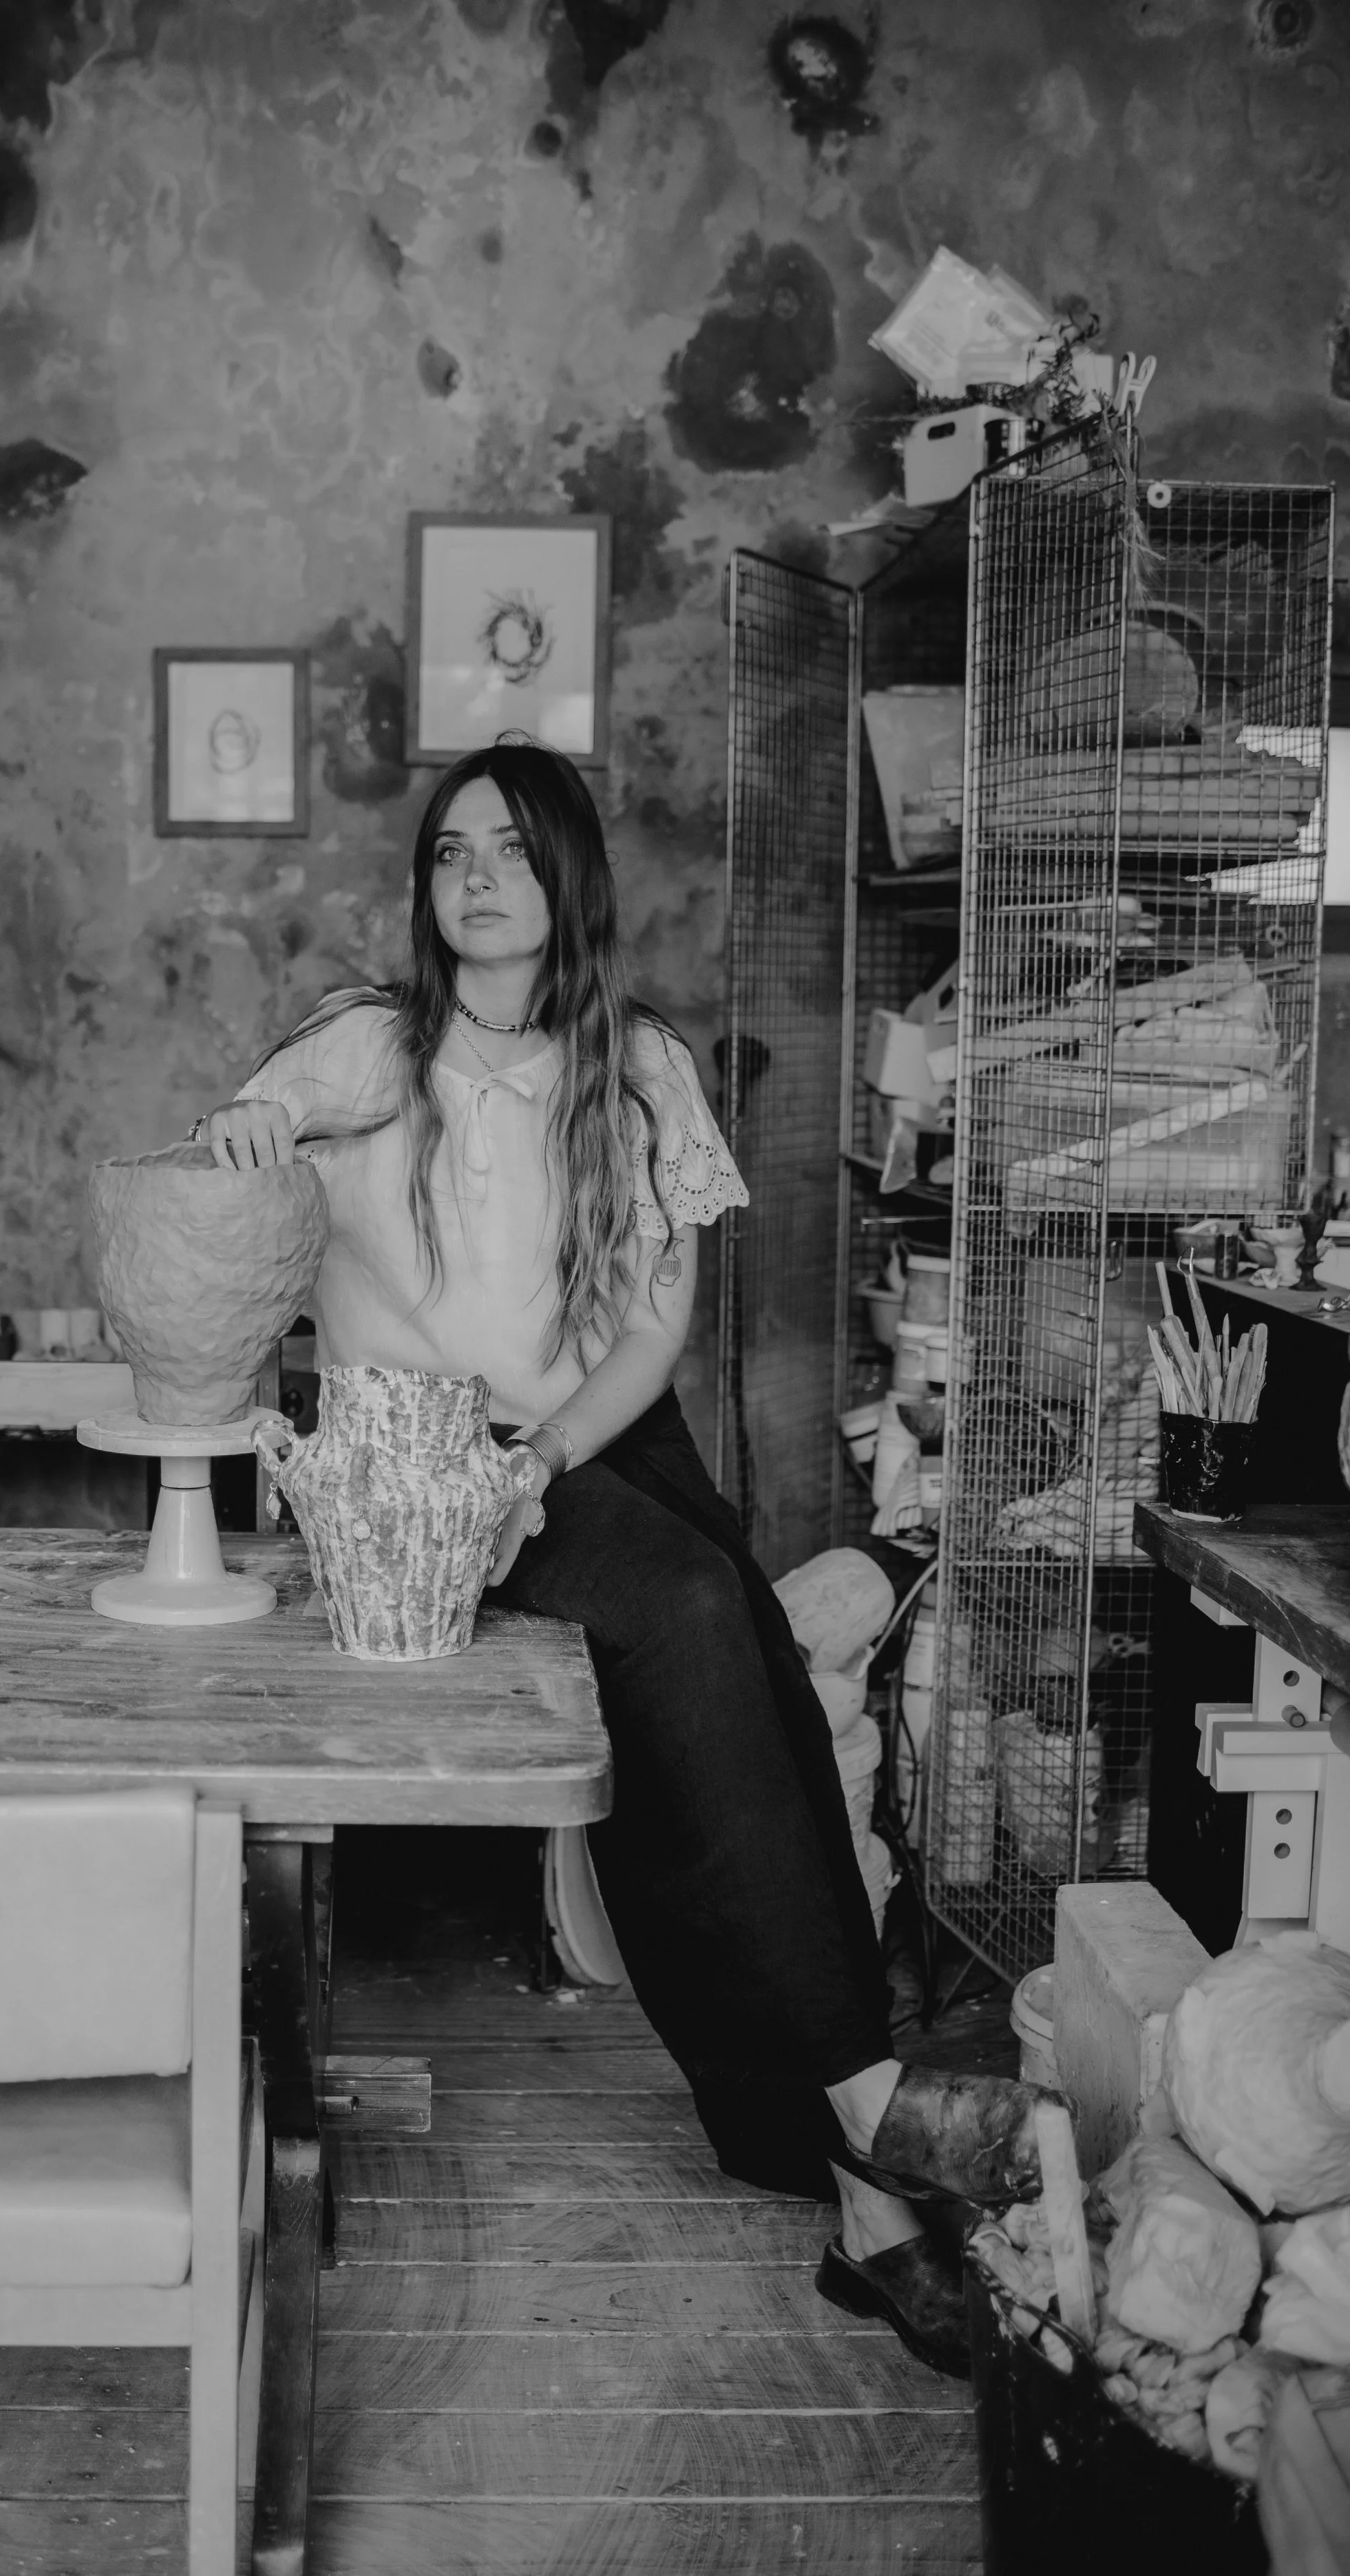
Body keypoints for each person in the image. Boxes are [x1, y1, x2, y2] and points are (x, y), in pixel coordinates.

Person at [202, 736, 1057, 2377]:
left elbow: (650, 1330)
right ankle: (869, 2107)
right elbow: (253, 1123)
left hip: (583, 1450)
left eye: (511, 853)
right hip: (420, 1461)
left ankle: (861, 2207)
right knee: (683, 1615)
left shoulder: (638, 1063)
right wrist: (247, 1132)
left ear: (568, 878)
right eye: (451, 851)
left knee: (731, 1666)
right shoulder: (361, 1048)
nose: (475, 880)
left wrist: (543, 1464)